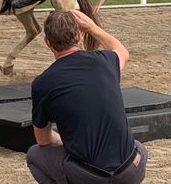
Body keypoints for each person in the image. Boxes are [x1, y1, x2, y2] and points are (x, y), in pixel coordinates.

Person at [26, 10, 147, 184]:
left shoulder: (43, 83)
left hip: (90, 176)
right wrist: (93, 27)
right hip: (130, 170)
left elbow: (43, 140)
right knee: (139, 148)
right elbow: (122, 51)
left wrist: (63, 141)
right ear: (79, 36)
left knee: (34, 155)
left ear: (47, 42)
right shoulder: (105, 61)